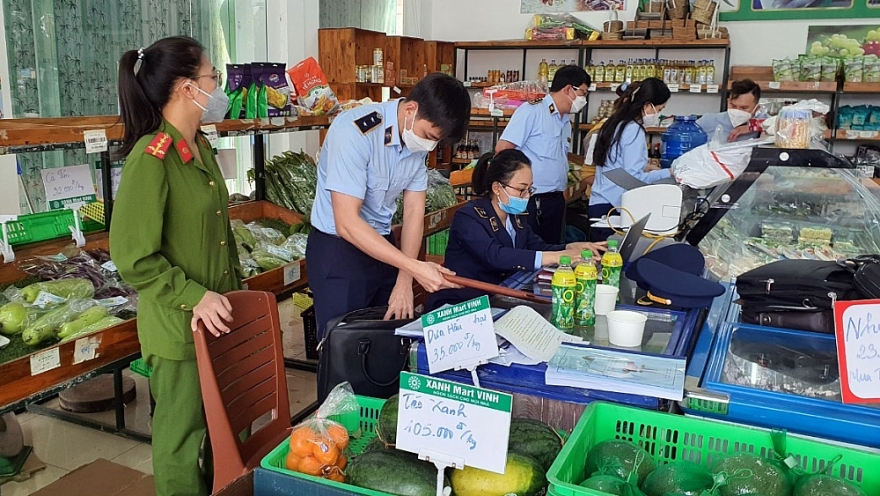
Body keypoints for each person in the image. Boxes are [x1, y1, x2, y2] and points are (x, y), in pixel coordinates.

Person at [110, 36, 239, 495]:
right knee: (182, 445)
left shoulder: (199, 148)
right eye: (212, 78)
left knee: (224, 434)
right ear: (187, 88)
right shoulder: (153, 159)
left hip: (219, 321)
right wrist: (195, 296)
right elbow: (133, 258)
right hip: (178, 330)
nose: (218, 88)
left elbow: (218, 239)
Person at [307, 73, 471, 339]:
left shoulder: (416, 141)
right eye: (429, 136)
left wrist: (405, 279)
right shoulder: (355, 132)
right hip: (339, 250)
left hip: (383, 247)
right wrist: (415, 267)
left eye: (437, 142)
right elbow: (347, 223)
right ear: (410, 109)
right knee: (342, 346)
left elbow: (415, 213)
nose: (430, 146)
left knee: (383, 341)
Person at [427, 150, 605, 310]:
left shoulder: (515, 217)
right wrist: (554, 257)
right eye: (521, 190)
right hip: (463, 303)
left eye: (529, 189)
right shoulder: (468, 216)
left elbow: (537, 246)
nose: (527, 196)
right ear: (497, 188)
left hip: (500, 296)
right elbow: (495, 255)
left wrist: (570, 248)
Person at [496, 65, 591, 245]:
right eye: (583, 93)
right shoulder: (532, 111)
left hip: (555, 200)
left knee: (553, 253)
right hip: (531, 199)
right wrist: (516, 190)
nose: (583, 99)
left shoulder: (564, 121)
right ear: (569, 89)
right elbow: (503, 149)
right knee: (530, 252)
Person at [588, 78, 675, 242]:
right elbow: (634, 179)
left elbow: (616, 165)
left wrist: (648, 167)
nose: (658, 114)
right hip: (613, 207)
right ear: (648, 105)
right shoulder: (634, 130)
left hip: (600, 203)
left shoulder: (615, 123)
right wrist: (669, 173)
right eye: (659, 109)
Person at [696, 79, 767, 143]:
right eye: (733, 106)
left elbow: (776, 126)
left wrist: (752, 127)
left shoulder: (763, 120)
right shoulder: (709, 120)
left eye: (744, 108)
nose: (737, 111)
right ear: (728, 102)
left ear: (756, 108)